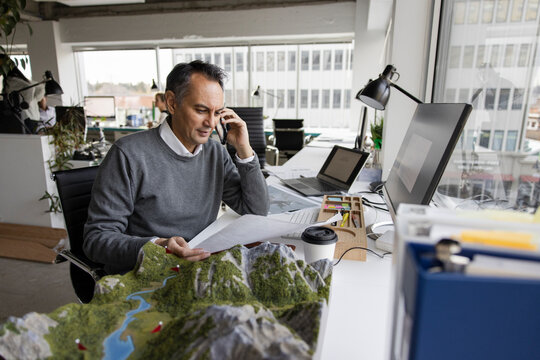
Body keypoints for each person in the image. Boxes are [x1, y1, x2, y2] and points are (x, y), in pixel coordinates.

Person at [83, 60, 269, 275]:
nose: (211, 123)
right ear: (172, 103)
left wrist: (244, 150)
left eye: (217, 112)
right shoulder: (128, 154)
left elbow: (256, 210)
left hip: (196, 266)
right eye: (201, 110)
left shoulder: (215, 152)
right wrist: (157, 246)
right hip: (147, 271)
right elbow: (96, 240)